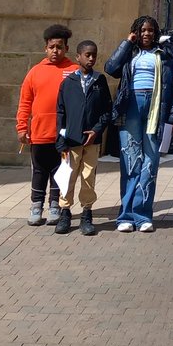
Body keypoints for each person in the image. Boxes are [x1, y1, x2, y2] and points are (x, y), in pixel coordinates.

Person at [104, 15, 173, 233]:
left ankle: (143, 215)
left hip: (155, 107)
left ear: (156, 33)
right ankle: (125, 216)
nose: (147, 34)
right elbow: (111, 68)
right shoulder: (130, 52)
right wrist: (127, 42)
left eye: (150, 30)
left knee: (150, 160)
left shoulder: (164, 54)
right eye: (142, 30)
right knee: (130, 160)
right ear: (136, 31)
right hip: (131, 106)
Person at [16, 24, 79, 226]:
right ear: (46, 48)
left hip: (63, 135)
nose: (55, 51)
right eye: (52, 47)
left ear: (66, 48)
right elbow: (25, 102)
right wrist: (22, 128)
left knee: (59, 171)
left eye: (59, 47)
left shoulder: (74, 71)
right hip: (39, 134)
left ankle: (55, 204)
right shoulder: (35, 72)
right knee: (39, 171)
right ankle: (36, 205)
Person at [54, 40, 112, 236]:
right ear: (78, 57)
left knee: (88, 177)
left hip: (91, 141)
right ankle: (65, 212)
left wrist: (97, 130)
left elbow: (106, 111)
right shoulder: (68, 83)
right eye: (87, 55)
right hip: (71, 141)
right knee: (68, 176)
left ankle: (87, 212)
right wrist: (60, 138)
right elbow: (61, 112)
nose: (91, 58)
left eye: (94, 55)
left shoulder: (99, 81)